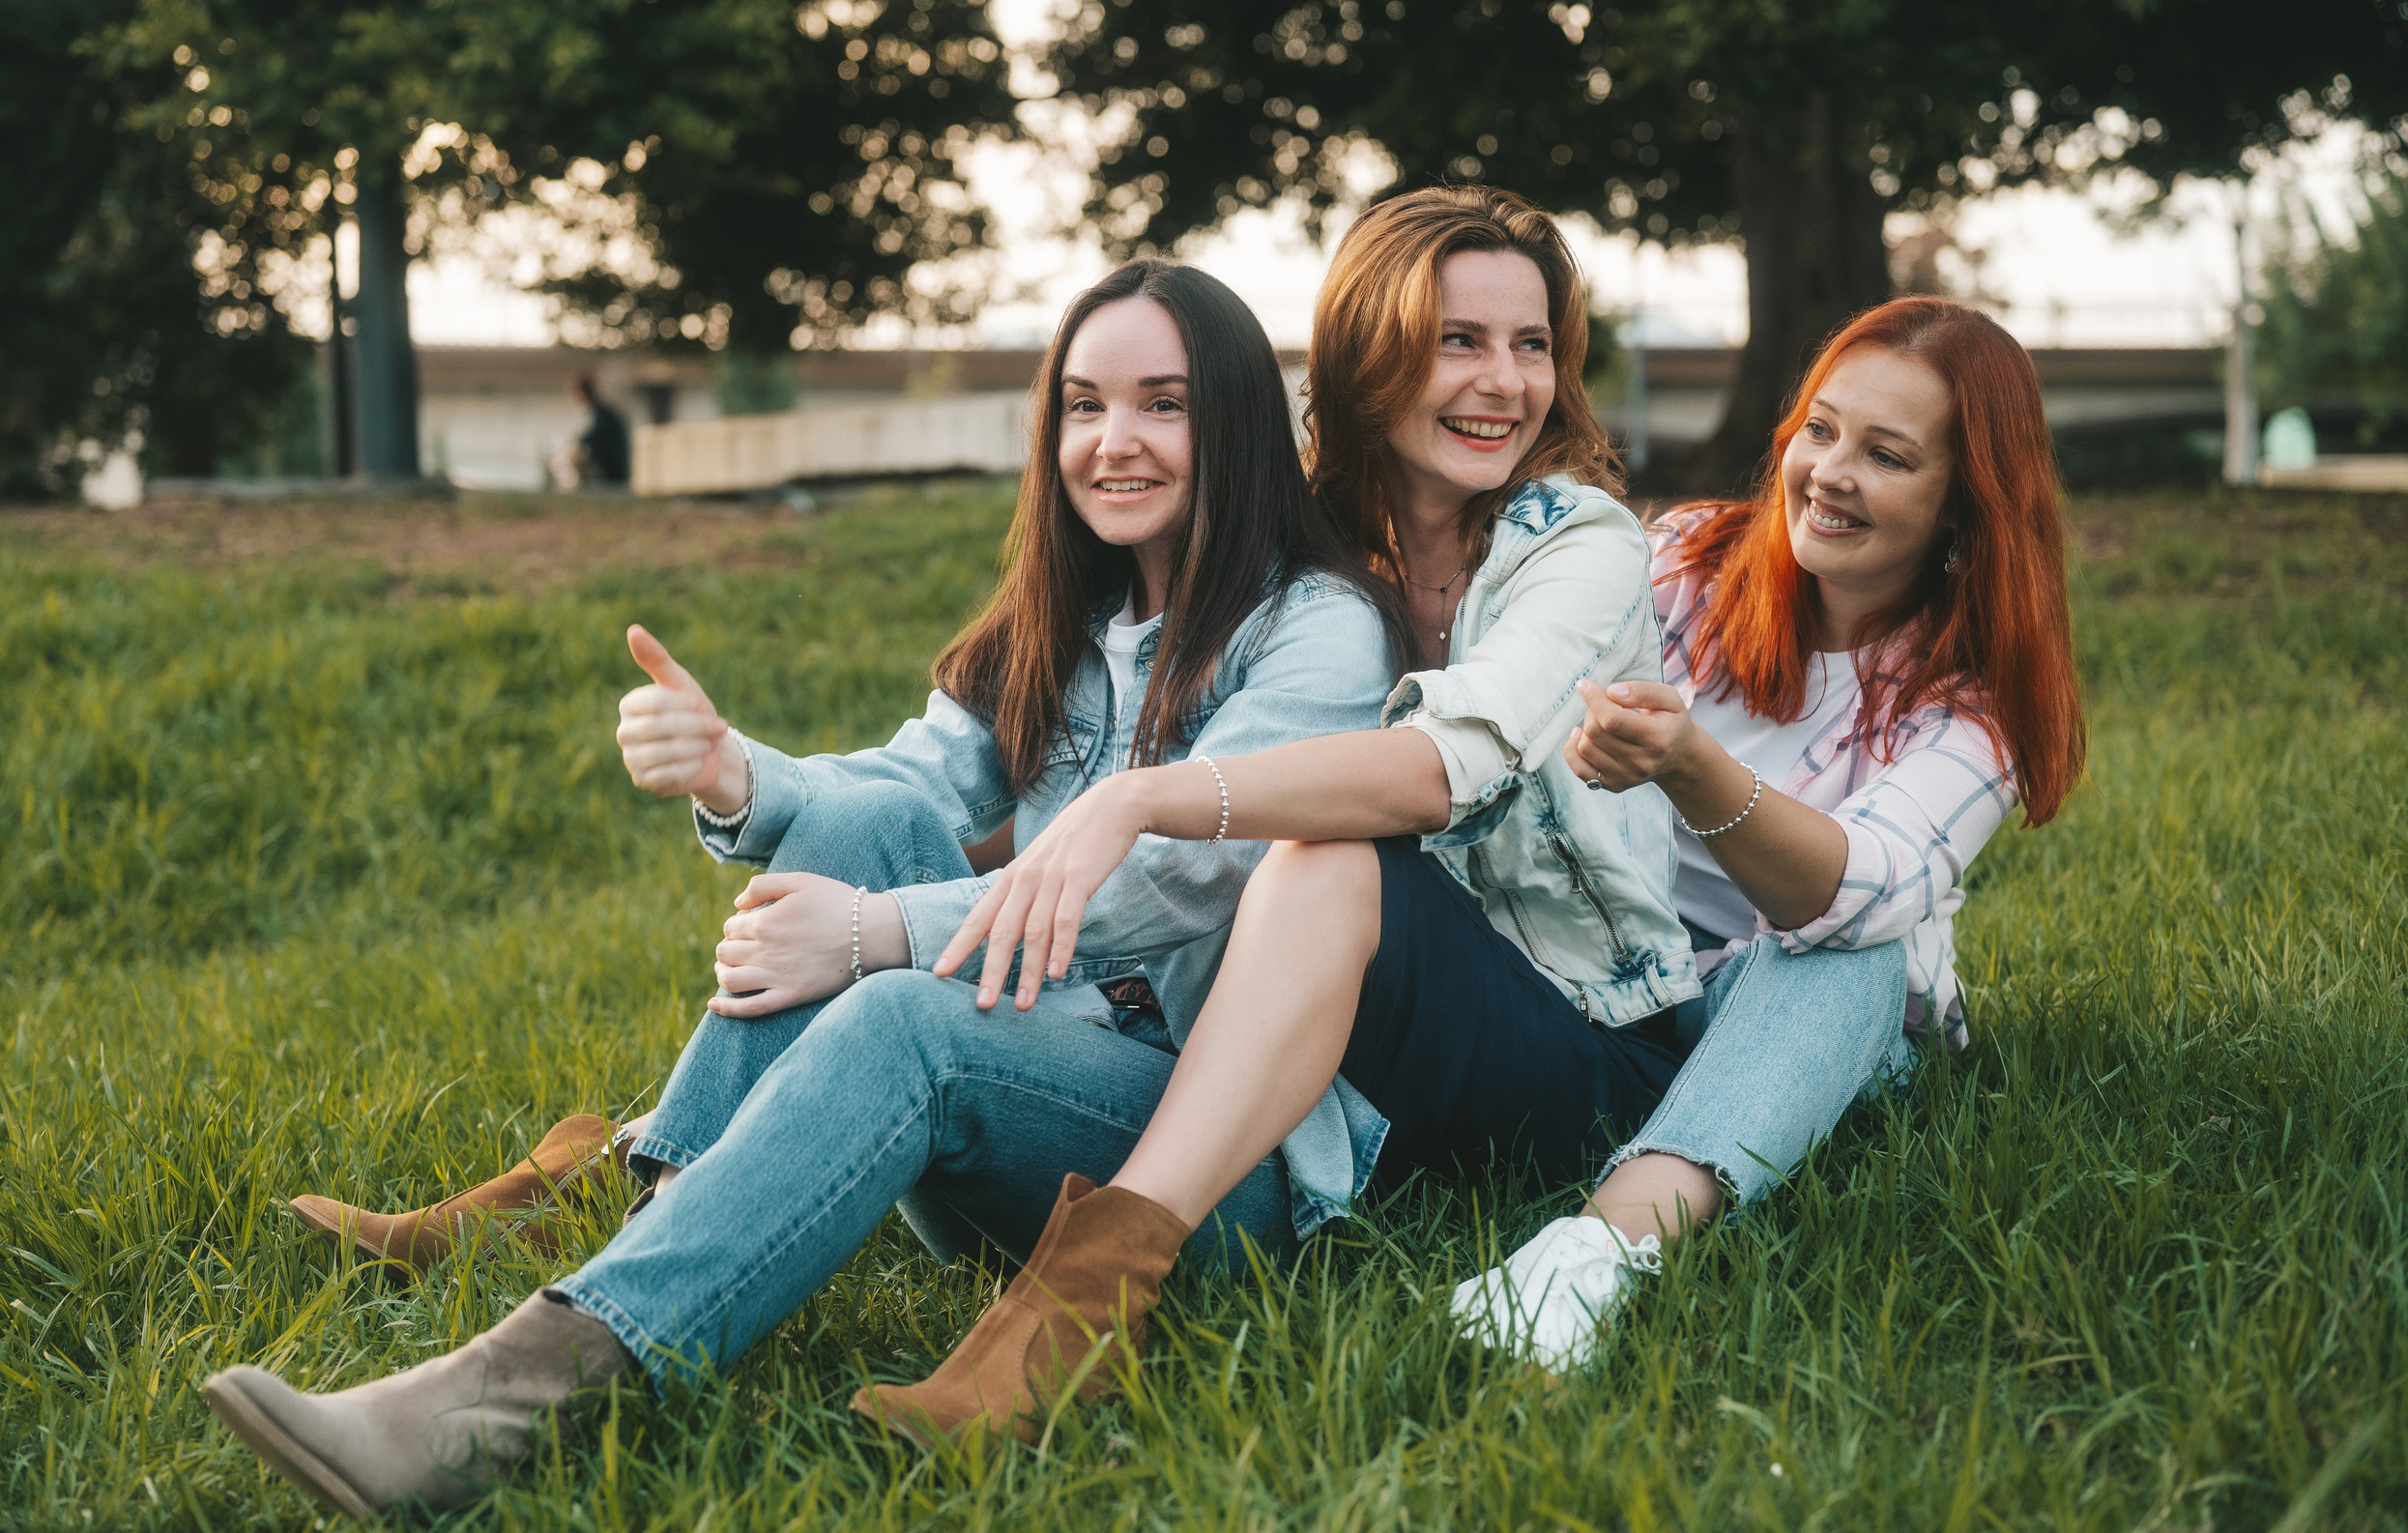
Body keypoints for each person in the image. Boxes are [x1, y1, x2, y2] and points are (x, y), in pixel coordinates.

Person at [199, 257, 1407, 1519]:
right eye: (1083, 404)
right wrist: (735, 774)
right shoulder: (1065, 615)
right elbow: (905, 783)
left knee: (899, 1009)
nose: (1116, 442)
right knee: (867, 815)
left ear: (1236, 422)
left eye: (1164, 403)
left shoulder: (1315, 628)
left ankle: (514, 1392)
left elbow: (1179, 875)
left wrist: (880, 934)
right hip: (1031, 1109)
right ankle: (656, 1208)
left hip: (1209, 1177)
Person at [890, 289, 2084, 1432]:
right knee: (1325, 855)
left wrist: (1693, 769)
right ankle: (1103, 1276)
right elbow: (1477, 714)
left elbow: (1855, 887)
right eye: (1819, 429)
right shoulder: (1676, 565)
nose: (1830, 472)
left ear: (1964, 503)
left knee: (1851, 955)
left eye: (1887, 454)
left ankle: (1587, 1260)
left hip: (1774, 1034)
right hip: (1577, 1003)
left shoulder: (1968, 714)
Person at [862, 184, 1697, 1443]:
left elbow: (1435, 769)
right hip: (1359, 1066)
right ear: (1368, 354)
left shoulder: (1576, 543)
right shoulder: (1312, 549)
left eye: (1531, 345)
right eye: (1459, 340)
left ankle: (1084, 1302)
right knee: (887, 840)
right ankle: (662, 1157)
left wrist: (1145, 800)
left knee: (1320, 854)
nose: (1504, 381)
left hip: (1581, 1045)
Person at [567, 372, 630, 486]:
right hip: (614, 464)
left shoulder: (601, 412)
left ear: (583, 392)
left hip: (614, 466)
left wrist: (580, 443)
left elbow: (594, 435)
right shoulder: (600, 410)